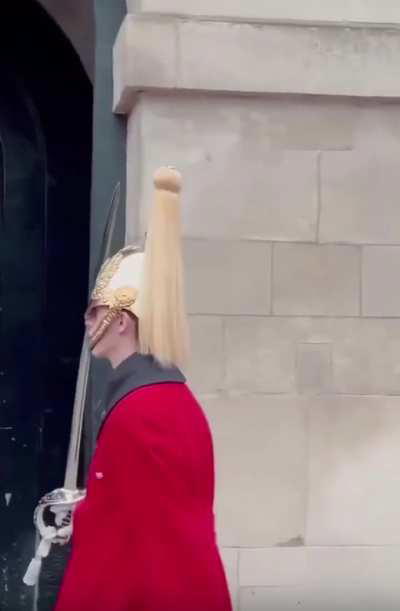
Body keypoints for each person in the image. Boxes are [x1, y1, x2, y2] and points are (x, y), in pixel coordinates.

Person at [55, 167, 232, 611]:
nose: (87, 320)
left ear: (121, 320)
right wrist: (85, 506)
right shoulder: (168, 399)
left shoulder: (142, 411)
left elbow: (129, 536)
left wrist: (80, 517)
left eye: (95, 311)